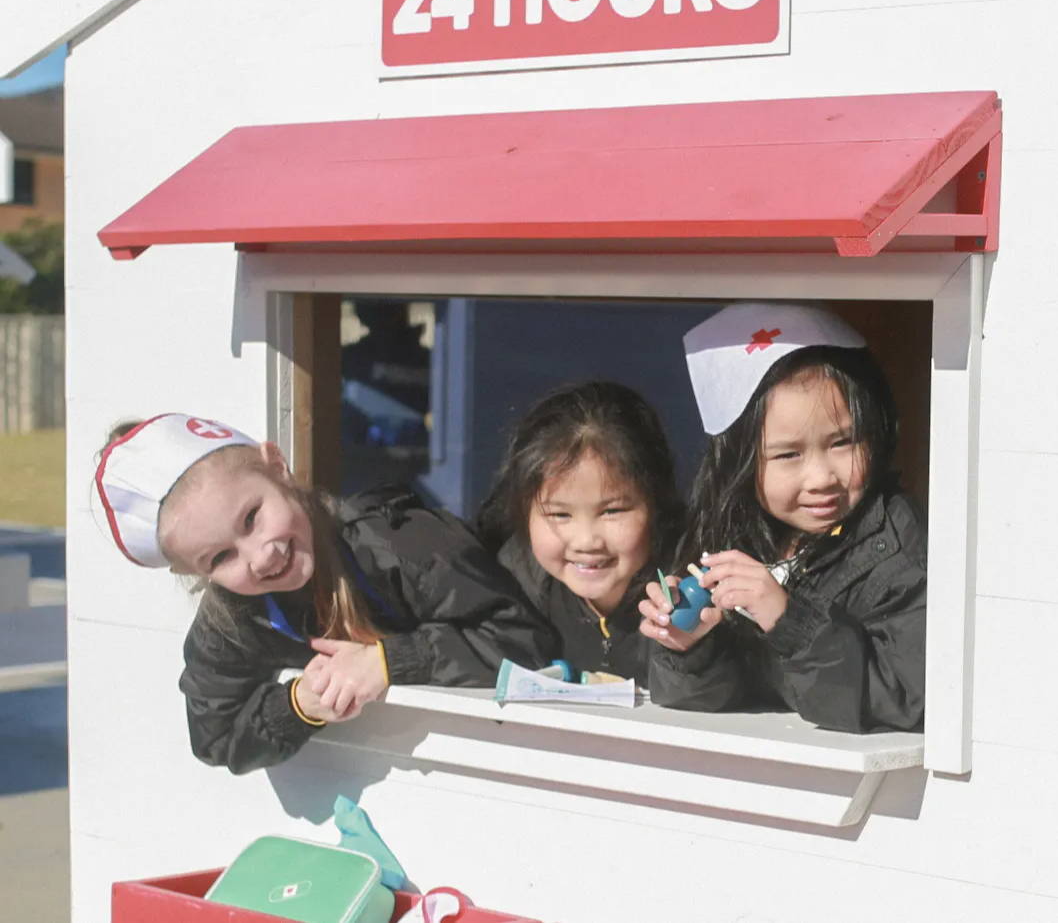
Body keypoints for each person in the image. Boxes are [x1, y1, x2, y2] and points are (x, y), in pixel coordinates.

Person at [94, 414, 551, 774]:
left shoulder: (401, 545)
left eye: (252, 517)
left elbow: (528, 644)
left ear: (277, 467)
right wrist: (299, 704)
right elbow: (214, 736)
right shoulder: (230, 623)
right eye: (220, 558)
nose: (259, 556)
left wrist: (391, 661)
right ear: (191, 571)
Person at [640, 303, 927, 733]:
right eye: (788, 454)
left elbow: (906, 697)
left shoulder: (898, 543)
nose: (821, 478)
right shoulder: (732, 537)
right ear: (739, 462)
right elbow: (717, 697)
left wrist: (788, 619)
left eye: (843, 442)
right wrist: (688, 647)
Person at [476, 381, 699, 685]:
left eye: (612, 511)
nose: (586, 542)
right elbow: (467, 648)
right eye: (559, 514)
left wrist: (691, 648)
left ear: (656, 503)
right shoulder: (514, 579)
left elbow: (720, 693)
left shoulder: (693, 584)